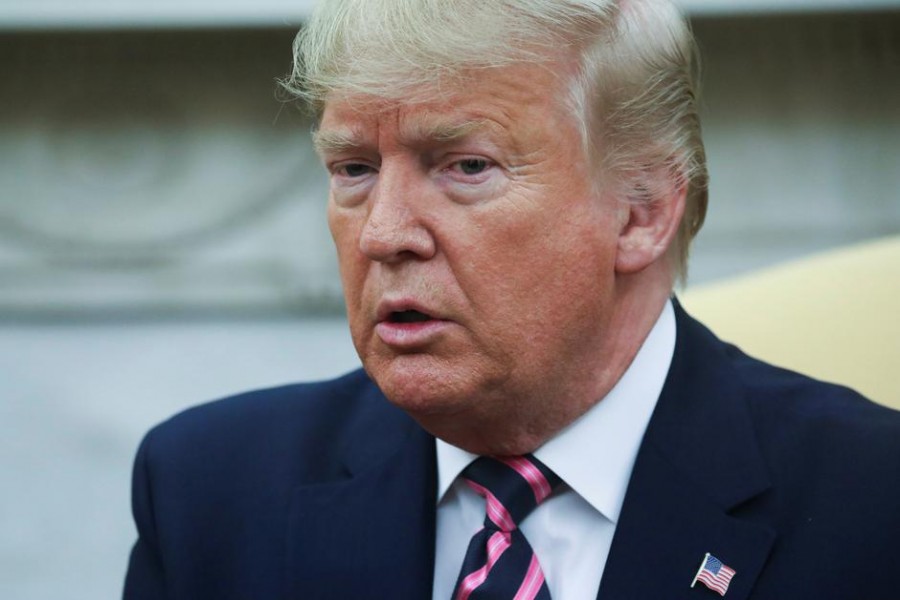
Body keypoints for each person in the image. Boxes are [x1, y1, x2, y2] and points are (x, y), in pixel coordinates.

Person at [123, 1, 900, 598]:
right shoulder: (209, 493)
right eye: (354, 169)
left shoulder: (869, 502)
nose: (383, 234)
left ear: (642, 211)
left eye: (465, 166)